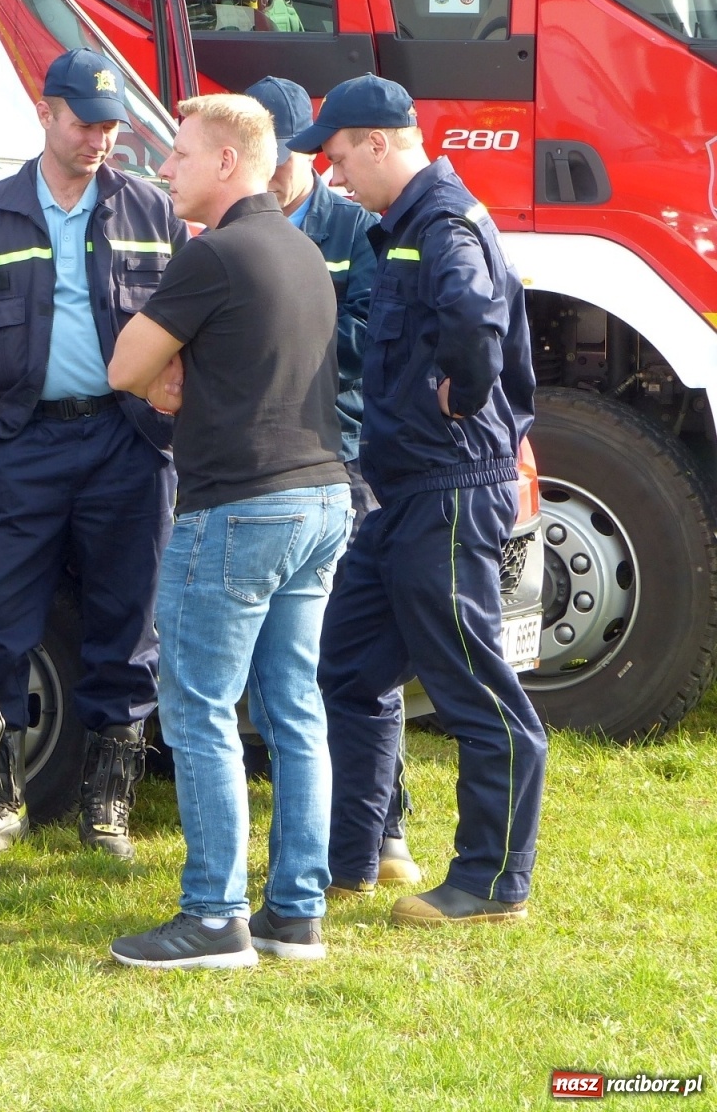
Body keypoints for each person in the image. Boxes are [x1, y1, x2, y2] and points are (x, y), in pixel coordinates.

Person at [287, 73, 545, 925]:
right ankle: (352, 861)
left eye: (337, 156)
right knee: (350, 668)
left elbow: (475, 323)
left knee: (473, 685)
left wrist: (461, 394)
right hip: (400, 493)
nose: (332, 176)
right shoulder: (403, 225)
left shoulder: (442, 222)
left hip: (445, 487)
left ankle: (490, 882)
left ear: (377, 142)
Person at [106, 94, 351, 969]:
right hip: (322, 500)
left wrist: (162, 375)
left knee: (200, 708)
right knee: (294, 709)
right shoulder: (304, 250)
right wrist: (186, 372)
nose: (163, 169)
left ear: (225, 163)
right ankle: (296, 914)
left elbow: (124, 365)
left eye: (176, 154)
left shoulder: (213, 255)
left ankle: (214, 917)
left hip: (239, 505)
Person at [0, 49, 185, 860]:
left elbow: (189, 328)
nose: (100, 139)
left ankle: (106, 804)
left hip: (127, 440)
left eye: (111, 125)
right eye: (84, 121)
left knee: (126, 622)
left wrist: (164, 420)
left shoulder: (152, 211)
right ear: (45, 113)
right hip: (25, 442)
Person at [244, 75, 422, 889]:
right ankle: (324, 829)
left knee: (350, 658)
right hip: (261, 465)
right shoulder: (235, 224)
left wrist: (266, 334)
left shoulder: (354, 229)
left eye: (281, 158)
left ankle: (385, 826)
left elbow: (365, 338)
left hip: (344, 462)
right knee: (289, 664)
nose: (270, 174)